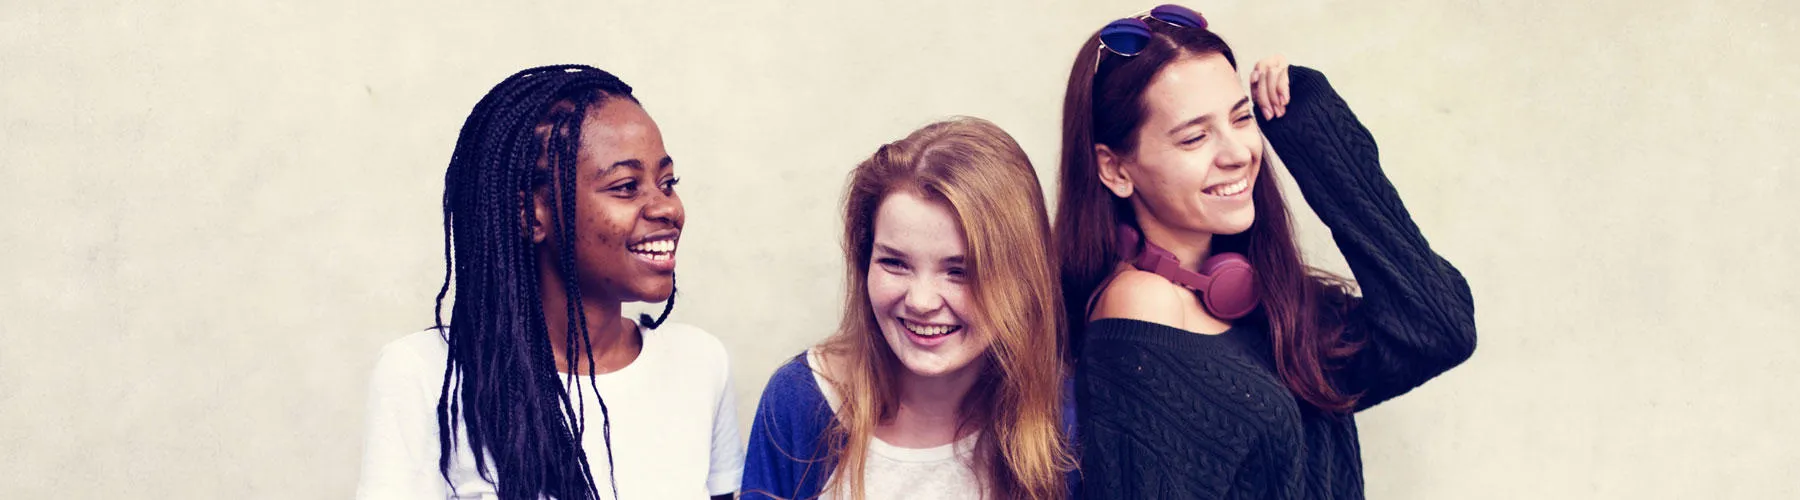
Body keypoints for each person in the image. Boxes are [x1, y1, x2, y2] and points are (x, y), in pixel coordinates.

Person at [1055, 5, 1479, 498]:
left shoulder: (1260, 301)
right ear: (1115, 170)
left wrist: (1311, 128)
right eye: (1195, 137)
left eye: (1241, 118)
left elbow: (1438, 328)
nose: (1238, 152)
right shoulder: (1142, 309)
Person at [355, 64, 742, 500]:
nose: (667, 208)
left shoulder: (700, 363)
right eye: (626, 186)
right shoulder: (424, 374)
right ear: (530, 213)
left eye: (667, 182)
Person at [741, 117, 1074, 500]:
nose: (921, 301)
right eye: (895, 263)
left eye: (959, 271)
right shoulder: (800, 400)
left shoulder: (1063, 418)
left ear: (1022, 278)